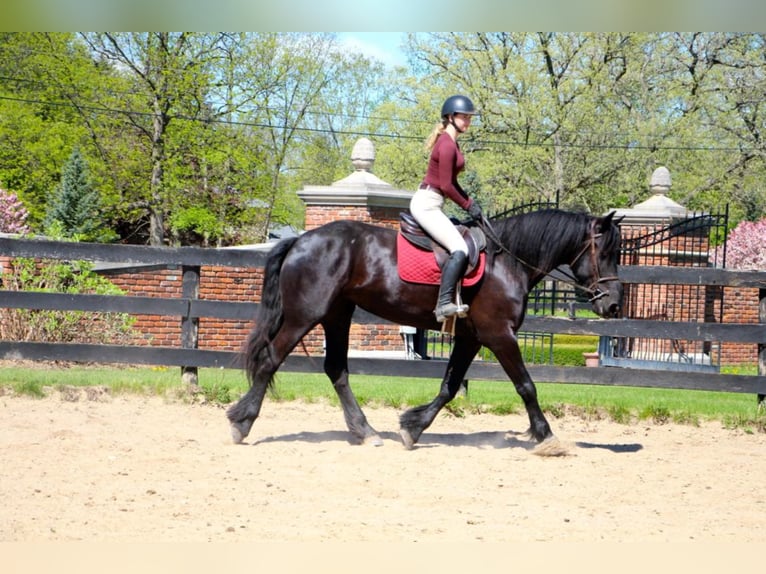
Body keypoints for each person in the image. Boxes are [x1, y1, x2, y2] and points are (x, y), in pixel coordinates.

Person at [410, 94, 483, 323]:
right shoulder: (447, 145)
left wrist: (470, 202)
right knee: (459, 248)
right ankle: (443, 305)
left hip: (434, 202)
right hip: (427, 204)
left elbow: (452, 184)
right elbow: (446, 185)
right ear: (450, 117)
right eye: (464, 117)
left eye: (470, 118)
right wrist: (468, 205)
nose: (468, 122)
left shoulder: (451, 142)